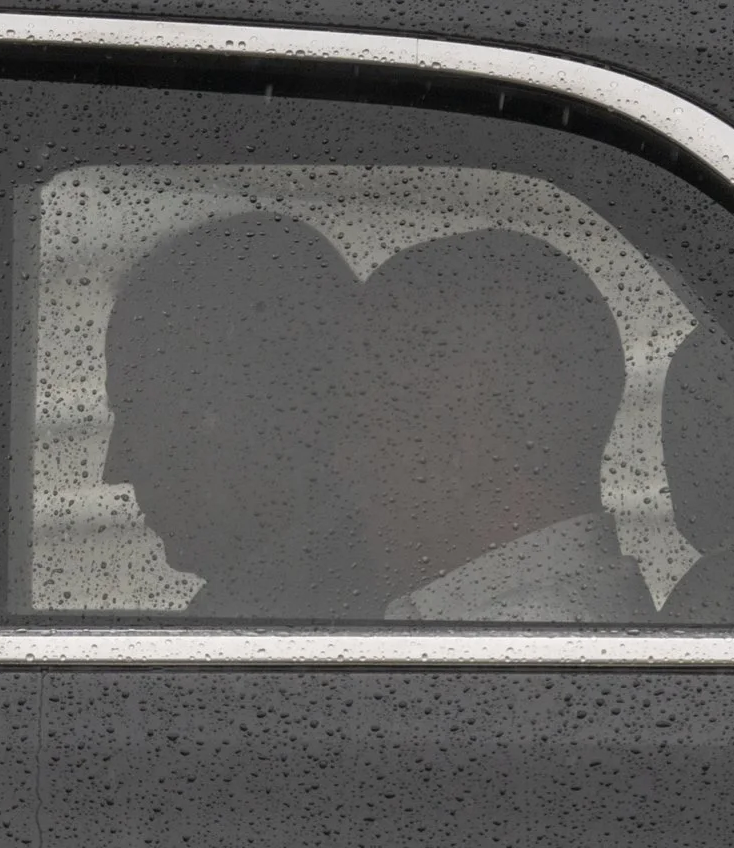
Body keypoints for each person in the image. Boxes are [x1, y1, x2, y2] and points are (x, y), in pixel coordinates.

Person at [353, 228, 654, 623]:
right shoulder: (574, 621)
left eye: (363, 423)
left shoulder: (502, 656)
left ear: (460, 441)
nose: (345, 461)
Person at [101, 211, 384, 620]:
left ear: (278, 410)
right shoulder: (383, 599)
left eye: (146, 418)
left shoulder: (276, 626)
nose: (116, 469)